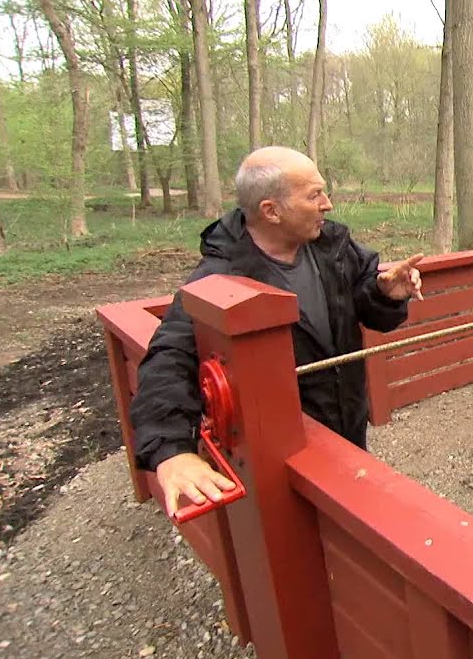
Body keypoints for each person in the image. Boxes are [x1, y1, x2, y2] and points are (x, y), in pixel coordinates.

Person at [128, 146, 424, 518]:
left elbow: (368, 301)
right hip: (283, 451)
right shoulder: (221, 277)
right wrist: (171, 450)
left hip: (348, 420)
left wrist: (383, 294)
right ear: (271, 211)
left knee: (355, 512)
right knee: (302, 527)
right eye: (314, 195)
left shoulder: (331, 246)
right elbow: (170, 355)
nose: (328, 204)